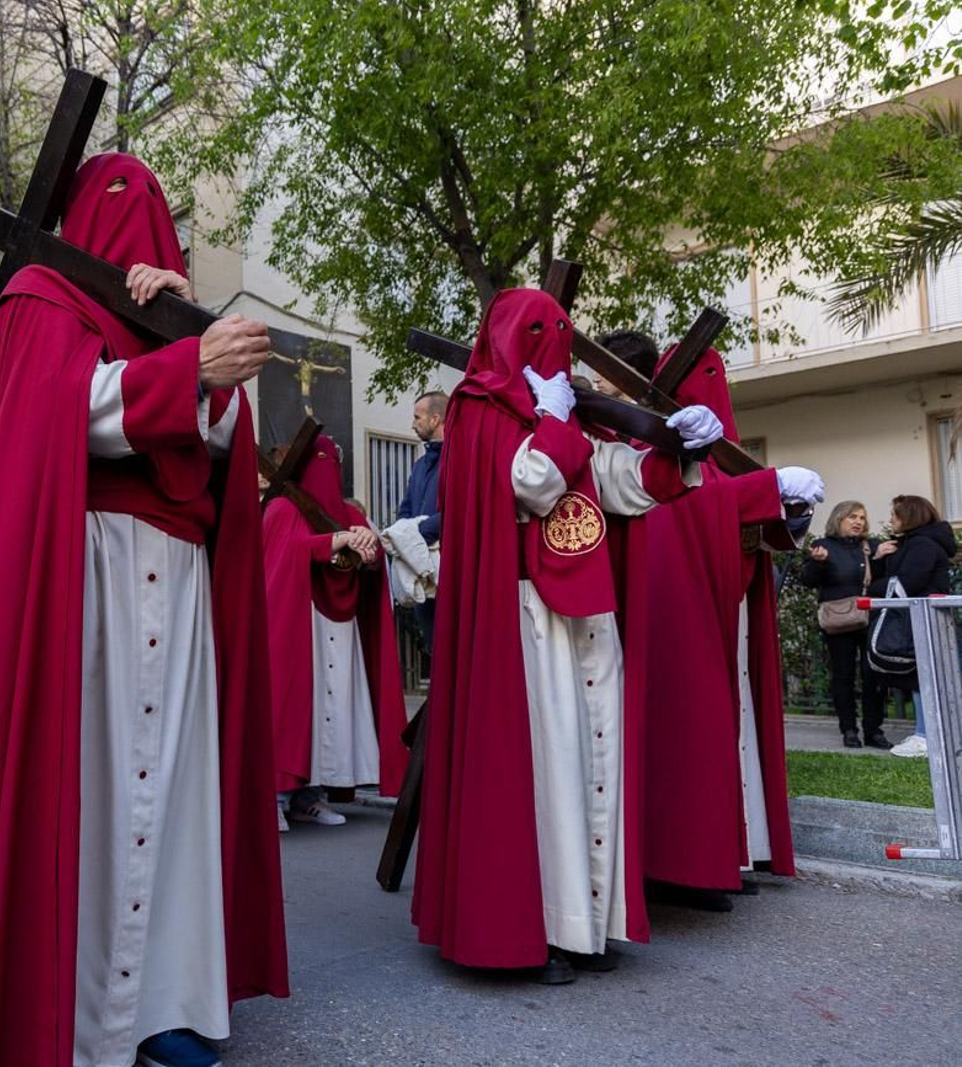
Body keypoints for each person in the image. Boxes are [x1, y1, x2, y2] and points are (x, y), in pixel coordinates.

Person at [0, 153, 288, 1067]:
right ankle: (66, 1006)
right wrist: (184, 367)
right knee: (89, 789)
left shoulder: (175, 320)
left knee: (172, 790)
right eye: (121, 199)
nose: (138, 216)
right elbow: (63, 412)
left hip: (180, 580)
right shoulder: (41, 296)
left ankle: (162, 1002)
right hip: (83, 571)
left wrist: (195, 352)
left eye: (154, 203)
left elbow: (225, 444)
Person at [412, 290, 723, 984]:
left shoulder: (567, 412)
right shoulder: (478, 408)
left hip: (587, 610)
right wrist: (555, 419)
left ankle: (586, 922)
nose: (550, 343)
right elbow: (533, 483)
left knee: (592, 760)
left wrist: (679, 447)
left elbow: (616, 480)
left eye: (560, 331)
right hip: (522, 615)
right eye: (537, 331)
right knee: (546, 769)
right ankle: (540, 926)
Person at [639, 345, 824, 910]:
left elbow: (747, 524)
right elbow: (689, 503)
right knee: (692, 732)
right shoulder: (654, 451)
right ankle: (687, 862)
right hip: (685, 618)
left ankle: (735, 850)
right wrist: (766, 488)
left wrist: (786, 508)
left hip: (731, 612)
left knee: (732, 729)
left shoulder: (719, 456)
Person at [264, 436, 407, 832]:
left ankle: (310, 797)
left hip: (343, 629)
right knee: (293, 707)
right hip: (299, 623)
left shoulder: (348, 511)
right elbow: (283, 552)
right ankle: (274, 798)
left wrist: (367, 548)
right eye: (320, 460)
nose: (327, 469)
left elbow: (372, 553)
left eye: (334, 460)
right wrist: (335, 540)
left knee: (333, 711)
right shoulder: (283, 507)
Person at [800, 501, 890, 749]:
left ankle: (874, 730)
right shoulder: (824, 546)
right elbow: (807, 581)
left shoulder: (870, 545)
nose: (858, 522)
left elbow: (880, 582)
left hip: (869, 618)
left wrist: (878, 559)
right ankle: (849, 729)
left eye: (861, 517)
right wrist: (817, 563)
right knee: (843, 676)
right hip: (839, 622)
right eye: (852, 517)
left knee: (874, 675)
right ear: (838, 519)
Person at [874, 495, 957, 758]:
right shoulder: (920, 542)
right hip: (924, 619)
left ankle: (925, 735)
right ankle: (925, 732)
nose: (890, 520)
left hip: (923, 620)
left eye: (894, 515)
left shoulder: (921, 545)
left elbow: (907, 583)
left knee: (924, 676)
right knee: (924, 676)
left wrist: (873, 589)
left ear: (909, 517)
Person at [393, 391, 447, 654]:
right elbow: (405, 509)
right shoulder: (419, 466)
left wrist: (416, 533)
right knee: (432, 646)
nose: (413, 424)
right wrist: (401, 535)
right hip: (419, 570)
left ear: (435, 419)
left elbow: (458, 511)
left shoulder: (460, 458)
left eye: (417, 417)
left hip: (447, 569)